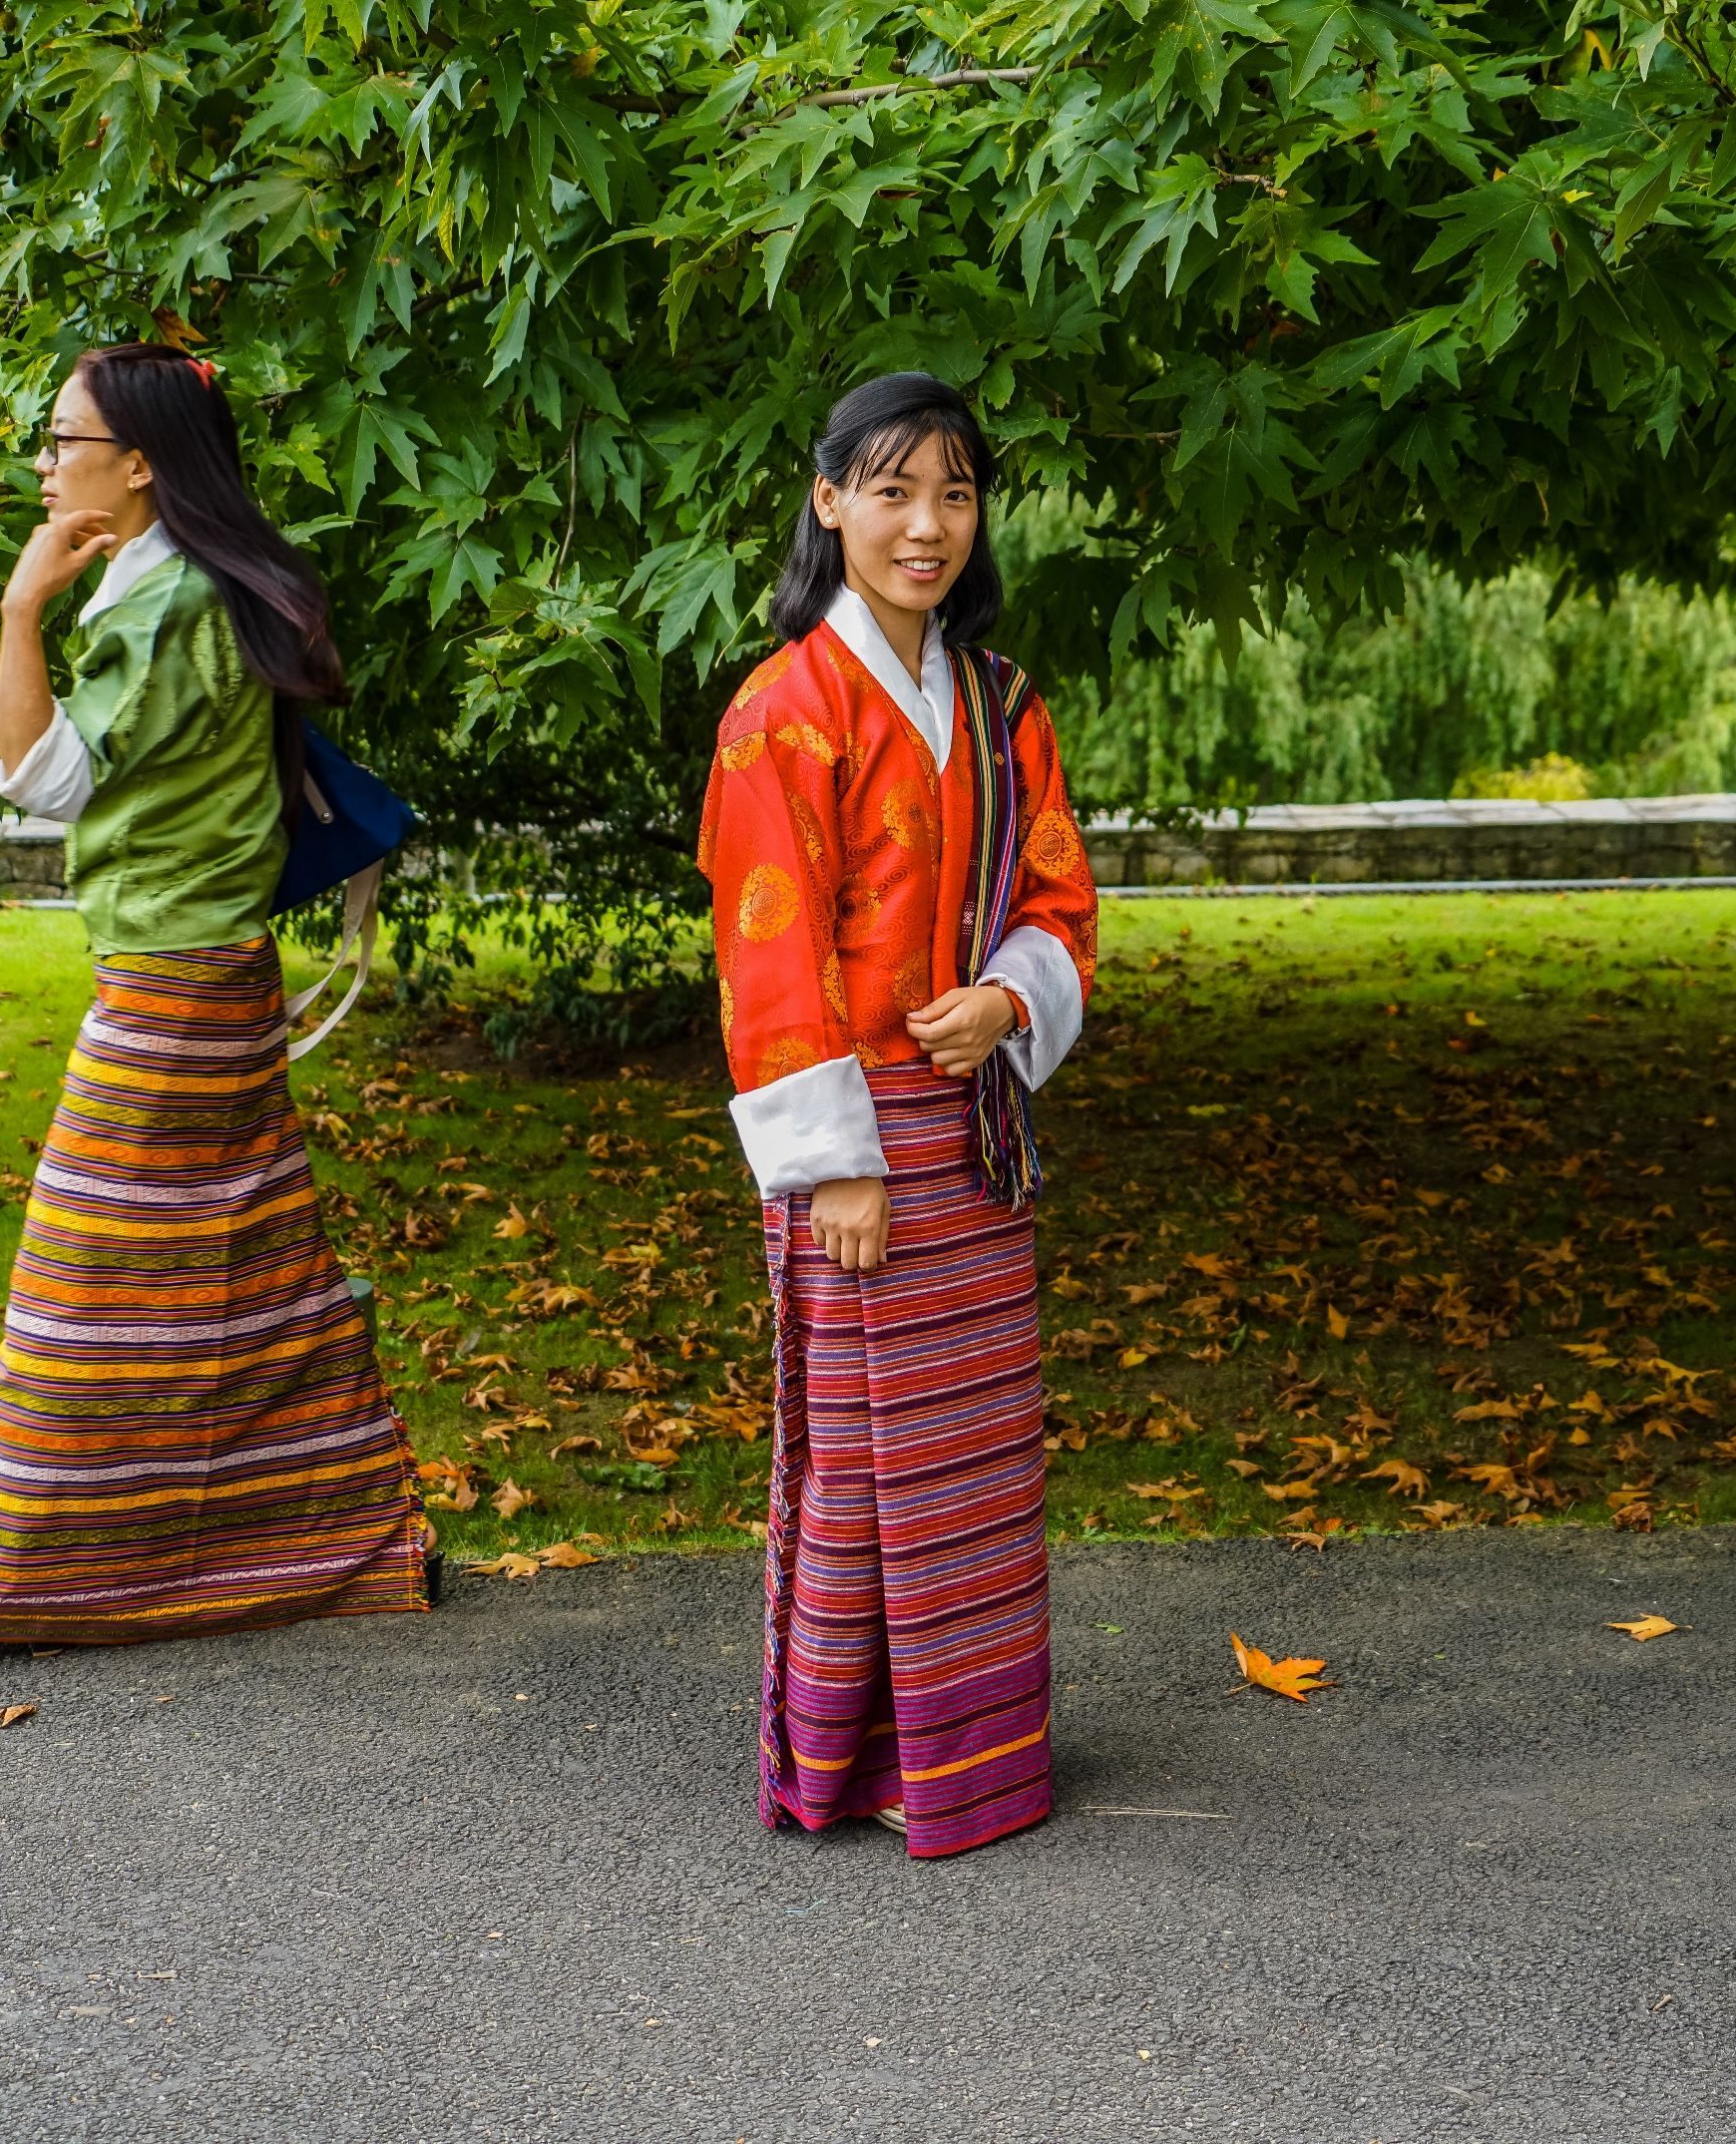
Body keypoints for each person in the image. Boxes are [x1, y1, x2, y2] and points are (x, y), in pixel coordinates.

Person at [0, 345, 432, 1662]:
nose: (44, 462)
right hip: (201, 969)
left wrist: (18, 613)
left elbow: (45, 772)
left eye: (62, 438)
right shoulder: (166, 583)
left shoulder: (166, 599)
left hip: (175, 986)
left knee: (84, 1288)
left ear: (138, 461)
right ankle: (346, 1534)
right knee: (246, 1274)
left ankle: (11, 1583)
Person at [698, 372, 1098, 1855]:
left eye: (955, 493)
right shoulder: (781, 712)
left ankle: (973, 1751)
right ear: (828, 503)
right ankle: (855, 1756)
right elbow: (766, 947)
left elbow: (1058, 895)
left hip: (974, 1133)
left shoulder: (1001, 701)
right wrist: (834, 1169)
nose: (924, 526)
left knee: (972, 1457)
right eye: (890, 491)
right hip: (854, 1142)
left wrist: (1007, 1000)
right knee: (864, 1456)